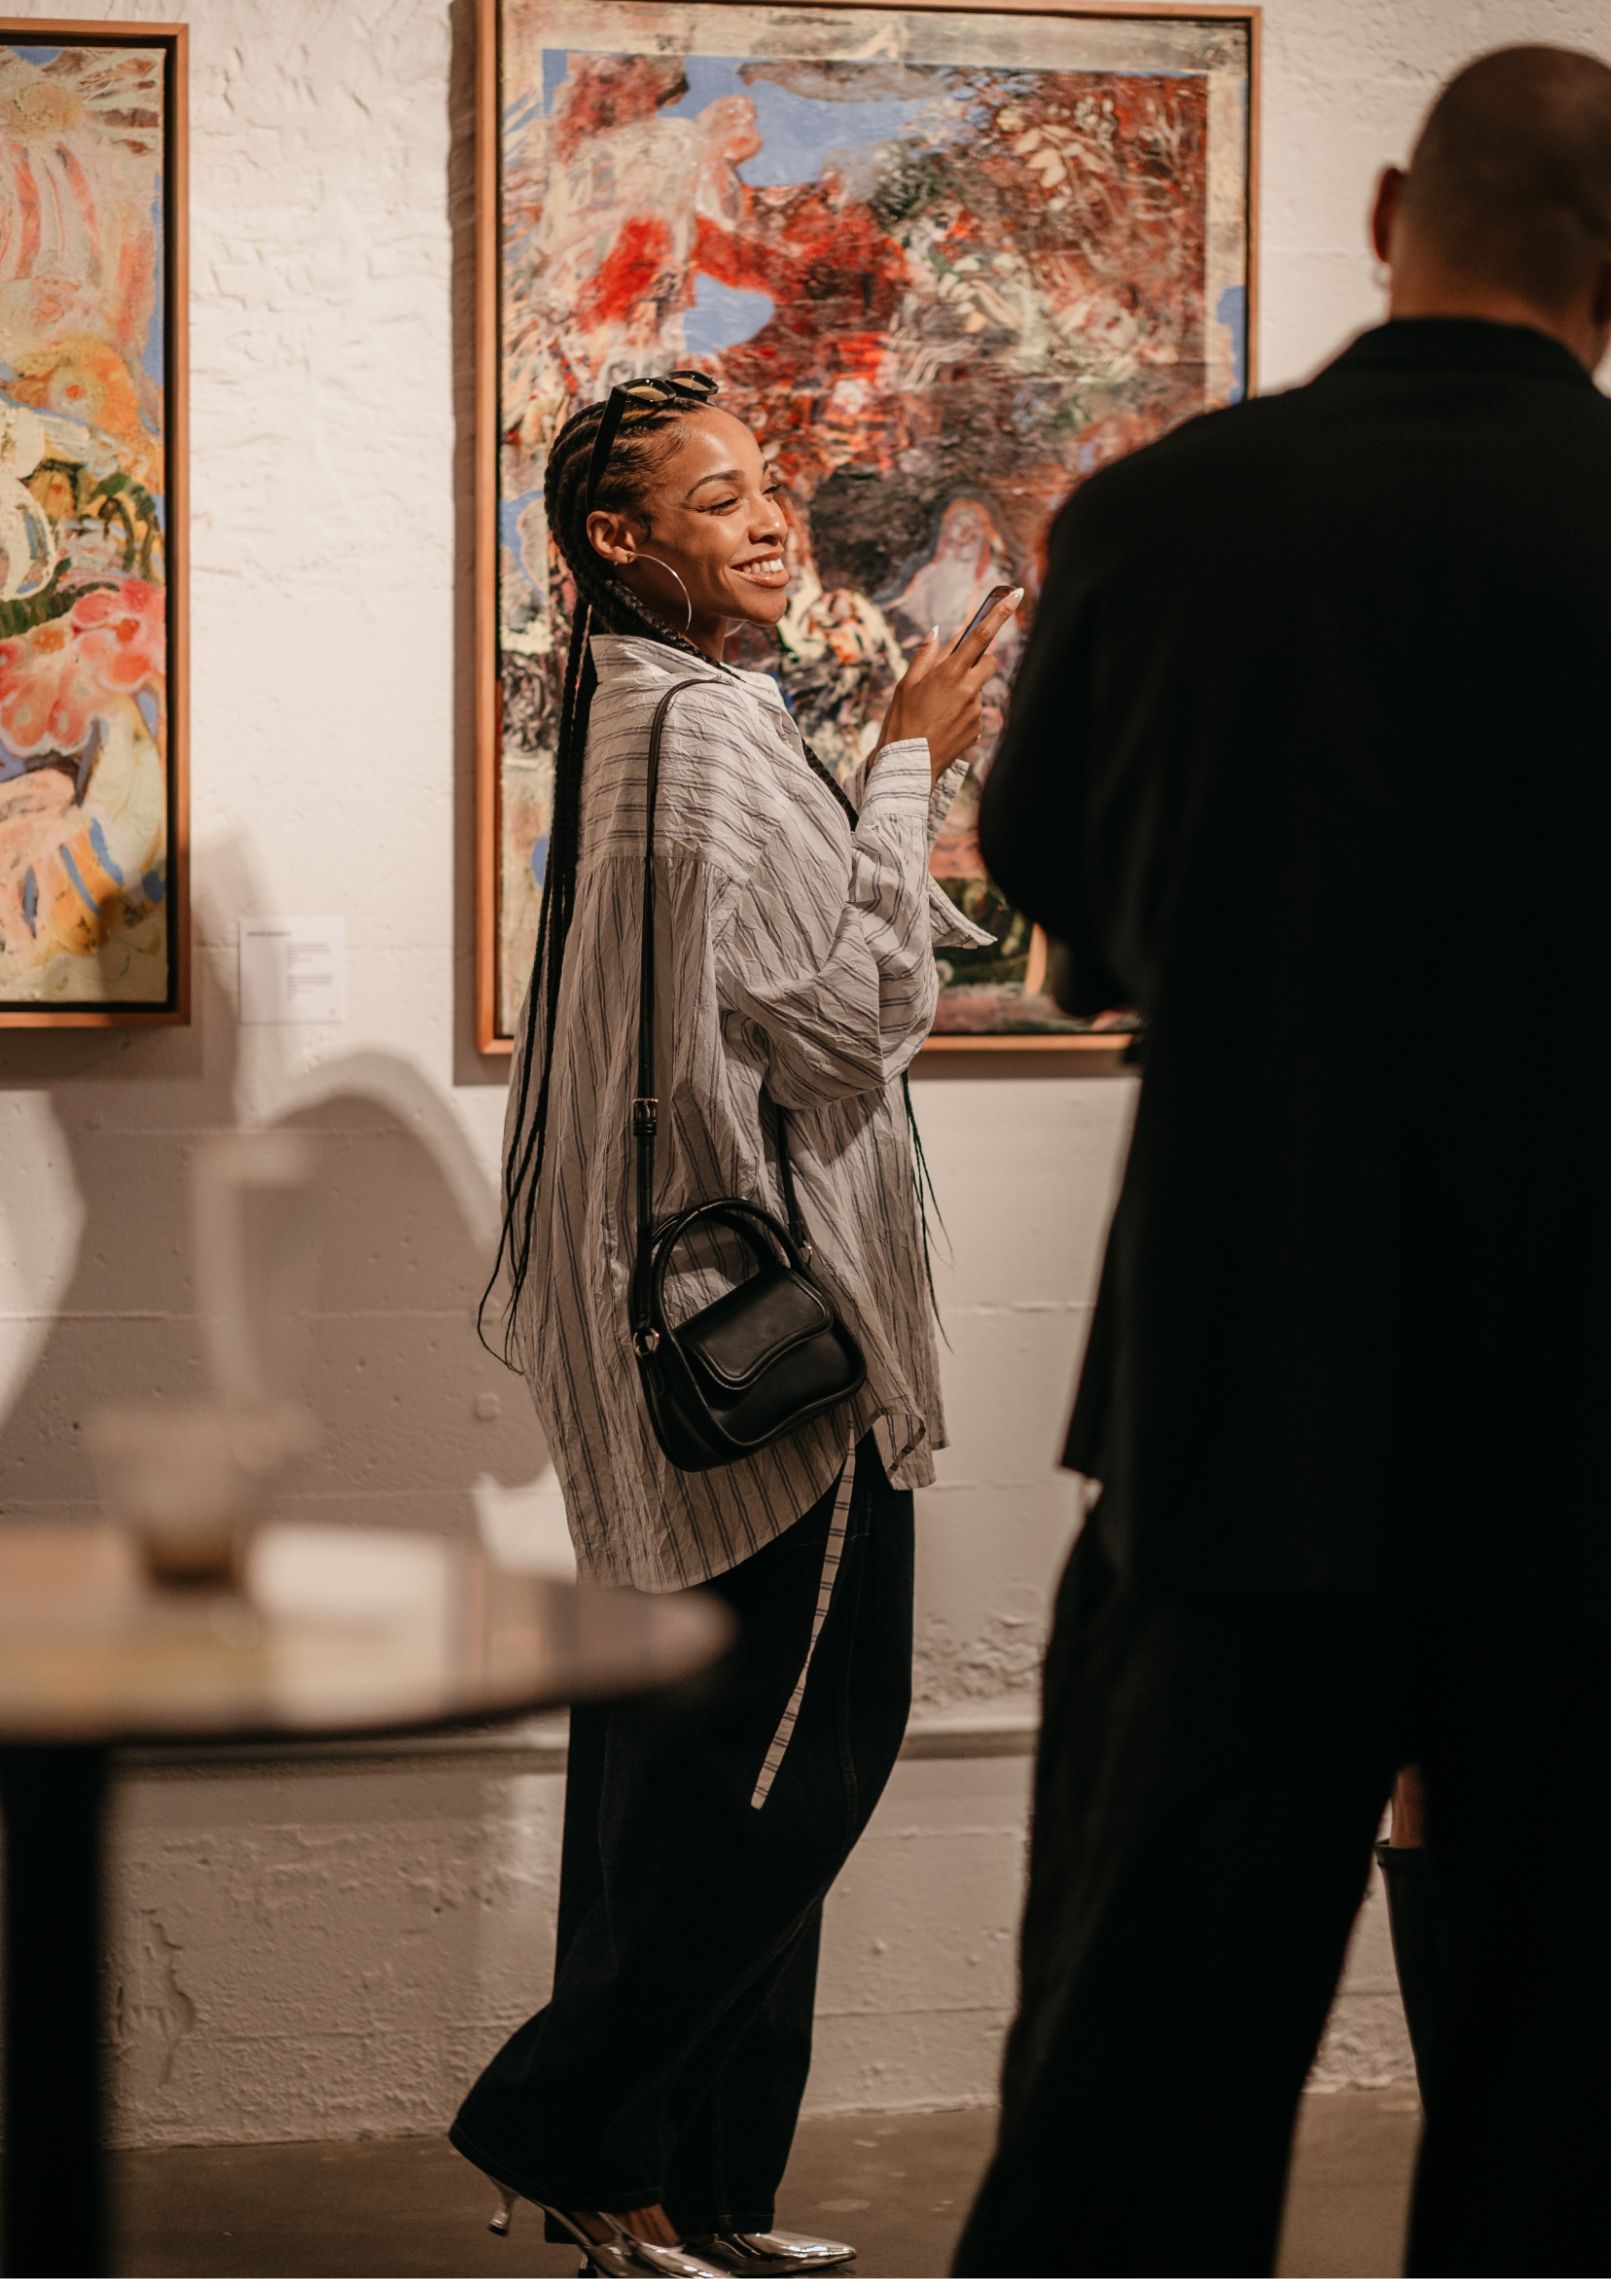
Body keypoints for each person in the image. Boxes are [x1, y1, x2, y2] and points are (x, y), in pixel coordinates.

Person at [954, 46, 1611, 2279]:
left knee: (1127, 2115)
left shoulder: (1163, 521)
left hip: (1241, 1423)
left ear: (1379, 205)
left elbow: (1067, 923)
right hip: (1584, 1449)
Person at [450, 367, 1020, 2278]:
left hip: (666, 1344)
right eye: (717, 500)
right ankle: (570, 2126)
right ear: (619, 547)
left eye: (772, 484)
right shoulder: (702, 731)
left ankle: (684, 2193)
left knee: (677, 1781)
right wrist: (912, 760)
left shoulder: (637, 717)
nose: (773, 517)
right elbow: (850, 1023)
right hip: (770, 1354)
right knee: (793, 1773)